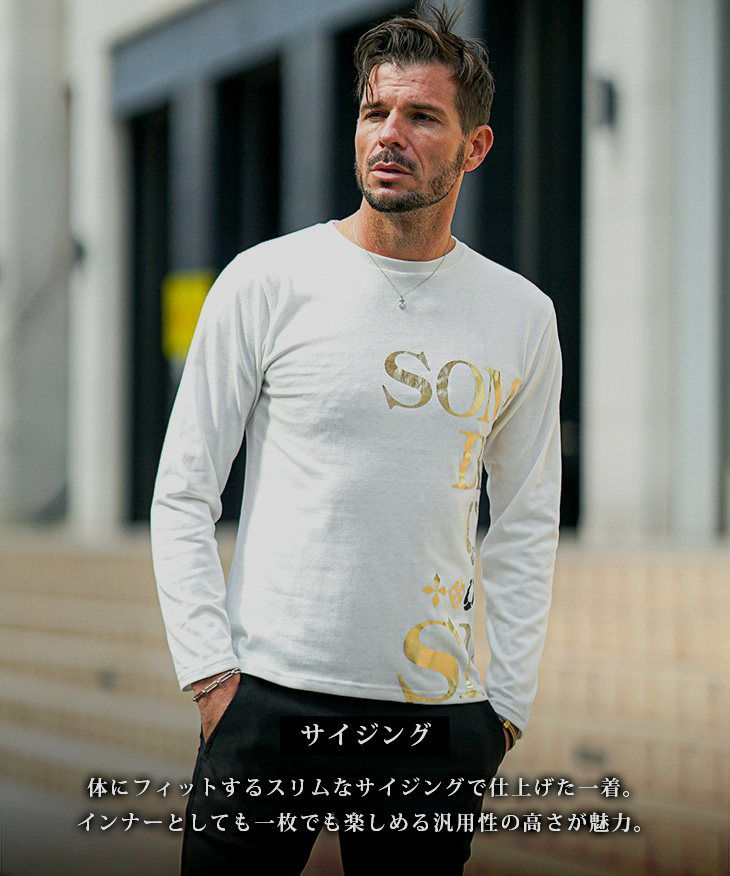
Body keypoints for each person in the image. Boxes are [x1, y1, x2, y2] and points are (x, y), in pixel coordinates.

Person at [150, 2, 562, 873]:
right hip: (267, 701)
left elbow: (526, 520)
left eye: (422, 117)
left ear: (475, 147)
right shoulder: (266, 282)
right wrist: (211, 677)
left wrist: (505, 708)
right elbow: (183, 488)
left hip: (434, 716)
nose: (391, 135)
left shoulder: (522, 314)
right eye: (376, 111)